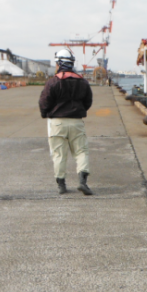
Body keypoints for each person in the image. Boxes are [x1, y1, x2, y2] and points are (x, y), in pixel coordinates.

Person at [39, 49, 93, 196]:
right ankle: (82, 182)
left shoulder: (53, 82)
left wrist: (46, 114)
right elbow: (88, 101)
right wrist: (79, 110)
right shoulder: (82, 82)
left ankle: (61, 184)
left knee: (59, 154)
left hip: (57, 123)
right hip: (76, 122)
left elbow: (44, 101)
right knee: (81, 152)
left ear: (59, 63)